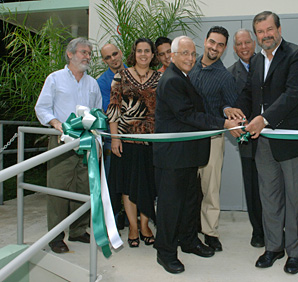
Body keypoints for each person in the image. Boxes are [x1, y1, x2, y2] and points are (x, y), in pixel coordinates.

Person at [228, 11, 298, 274]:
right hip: (262, 142)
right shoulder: (255, 61)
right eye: (260, 32)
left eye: (269, 30)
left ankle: (295, 253)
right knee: (269, 197)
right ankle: (274, 247)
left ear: (279, 28)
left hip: (292, 141)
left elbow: (294, 94)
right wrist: (235, 114)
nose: (265, 35)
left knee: (296, 199)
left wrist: (263, 119)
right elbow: (248, 94)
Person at [153, 36, 241, 274]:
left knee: (190, 201)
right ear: (172, 56)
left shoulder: (183, 77)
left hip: (188, 155)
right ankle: (166, 252)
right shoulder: (171, 80)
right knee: (171, 206)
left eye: (193, 53)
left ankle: (189, 240)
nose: (190, 58)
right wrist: (224, 123)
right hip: (173, 157)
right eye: (184, 53)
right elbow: (188, 115)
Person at [35, 37, 102, 254]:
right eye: (83, 52)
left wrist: (98, 141)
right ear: (70, 54)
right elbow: (42, 107)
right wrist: (55, 122)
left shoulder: (92, 83)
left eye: (89, 53)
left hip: (85, 143)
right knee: (58, 189)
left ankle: (78, 229)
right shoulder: (54, 79)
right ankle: (56, 236)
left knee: (83, 186)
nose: (88, 56)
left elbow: (98, 112)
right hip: (61, 143)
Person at [106, 38, 161, 248]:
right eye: (140, 51)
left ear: (153, 54)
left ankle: (145, 225)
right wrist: (115, 138)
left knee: (148, 184)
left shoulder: (161, 77)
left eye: (147, 51)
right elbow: (114, 108)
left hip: (152, 141)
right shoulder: (121, 76)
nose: (144, 54)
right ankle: (133, 226)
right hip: (126, 140)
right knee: (128, 186)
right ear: (134, 53)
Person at [188, 26, 238, 252]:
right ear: (205, 41)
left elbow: (228, 104)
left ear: (225, 48)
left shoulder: (225, 77)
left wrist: (227, 110)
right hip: (187, 138)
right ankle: (188, 228)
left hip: (213, 138)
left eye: (220, 45)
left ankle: (210, 232)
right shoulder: (188, 67)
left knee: (211, 188)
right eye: (212, 42)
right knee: (187, 186)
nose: (214, 48)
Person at [227, 29, 264, 248]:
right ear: (234, 49)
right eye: (239, 44)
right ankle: (258, 231)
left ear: (255, 43)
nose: (244, 47)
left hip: (270, 136)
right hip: (247, 139)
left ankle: (276, 228)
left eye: (247, 42)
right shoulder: (230, 73)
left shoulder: (266, 63)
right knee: (252, 187)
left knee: (272, 187)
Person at [97, 43, 126, 185]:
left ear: (120, 52)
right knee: (111, 182)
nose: (113, 59)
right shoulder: (101, 82)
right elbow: (110, 109)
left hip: (138, 136)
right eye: (108, 57)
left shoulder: (137, 72)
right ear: (104, 61)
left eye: (115, 54)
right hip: (113, 138)